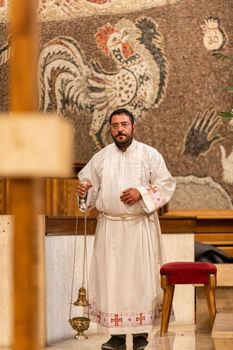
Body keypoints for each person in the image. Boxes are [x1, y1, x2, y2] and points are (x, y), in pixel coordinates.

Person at [77, 108, 176, 350]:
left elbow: (166, 185)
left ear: (133, 126)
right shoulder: (100, 158)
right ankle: (117, 335)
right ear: (110, 129)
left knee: (140, 281)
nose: (119, 129)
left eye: (124, 124)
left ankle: (141, 333)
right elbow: (88, 187)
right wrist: (84, 192)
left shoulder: (149, 155)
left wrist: (140, 192)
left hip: (139, 228)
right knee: (111, 281)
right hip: (110, 228)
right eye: (114, 126)